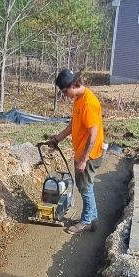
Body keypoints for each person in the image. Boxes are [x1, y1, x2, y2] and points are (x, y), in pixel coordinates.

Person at [47, 69, 104, 231]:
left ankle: (86, 222)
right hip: (81, 151)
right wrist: (57, 138)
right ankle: (92, 219)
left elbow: (93, 134)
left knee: (85, 188)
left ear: (73, 85)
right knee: (86, 186)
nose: (64, 95)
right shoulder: (78, 98)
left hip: (89, 154)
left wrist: (84, 159)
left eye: (65, 91)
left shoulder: (89, 103)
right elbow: (74, 124)